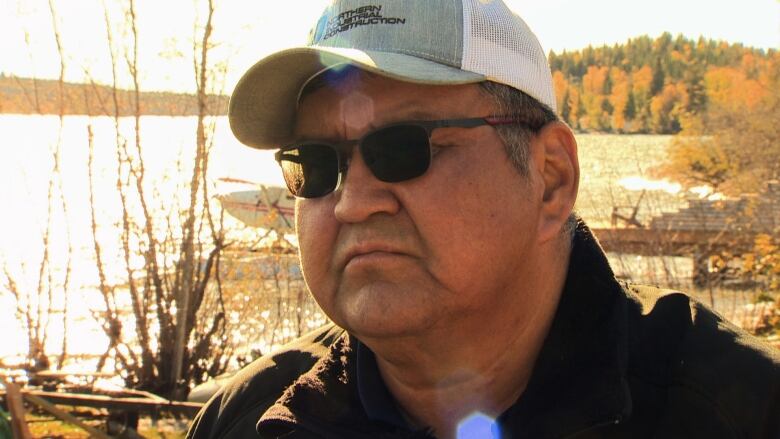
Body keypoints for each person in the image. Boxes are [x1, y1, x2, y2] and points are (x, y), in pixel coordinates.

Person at [187, 1, 779, 437]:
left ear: (551, 178)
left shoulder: (741, 410)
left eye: (404, 149)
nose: (351, 202)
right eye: (314, 164)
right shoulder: (245, 422)